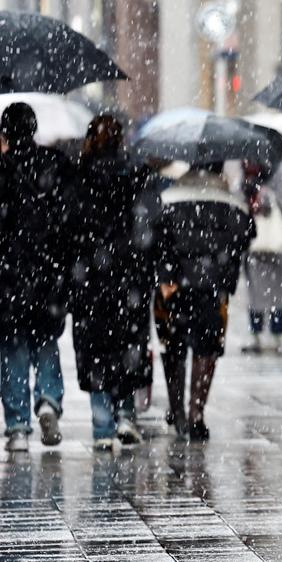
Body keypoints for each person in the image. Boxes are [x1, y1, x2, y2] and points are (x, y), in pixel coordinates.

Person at [69, 115, 159, 450]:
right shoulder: (137, 174)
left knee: (94, 351)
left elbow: (69, 230)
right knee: (127, 347)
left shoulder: (78, 178)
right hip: (129, 278)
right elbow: (151, 225)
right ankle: (125, 414)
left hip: (90, 279)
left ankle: (102, 424)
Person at [155, 160, 255, 440]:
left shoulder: (170, 199)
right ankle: (196, 411)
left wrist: (168, 271)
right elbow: (246, 236)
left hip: (172, 286)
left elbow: (156, 238)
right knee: (206, 347)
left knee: (173, 347)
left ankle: (177, 411)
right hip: (213, 287)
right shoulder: (230, 203)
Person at [0, 103, 75, 452]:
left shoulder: (2, 168)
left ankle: (17, 427)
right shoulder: (56, 164)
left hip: (9, 275)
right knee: (45, 341)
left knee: (12, 346)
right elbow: (69, 217)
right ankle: (48, 399)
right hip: (49, 273)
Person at [242, 162, 282, 354]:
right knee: (255, 293)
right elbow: (240, 200)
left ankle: (277, 334)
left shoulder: (281, 170)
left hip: (275, 242)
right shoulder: (247, 168)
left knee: (277, 293)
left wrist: (265, 196)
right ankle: (256, 335)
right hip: (254, 243)